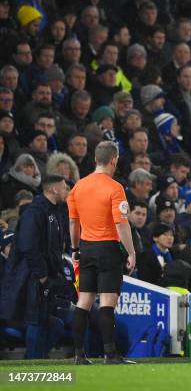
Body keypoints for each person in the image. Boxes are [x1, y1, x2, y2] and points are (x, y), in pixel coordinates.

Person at [67, 141, 137, 365]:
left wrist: (75, 249)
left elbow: (73, 222)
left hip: (86, 248)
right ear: (114, 160)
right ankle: (110, 354)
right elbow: (122, 225)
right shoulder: (115, 188)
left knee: (84, 300)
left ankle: (78, 355)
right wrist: (131, 252)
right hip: (108, 249)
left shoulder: (78, 187)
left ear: (95, 159)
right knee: (108, 302)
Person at [0, 175, 69, 359]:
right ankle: (31, 362)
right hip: (31, 276)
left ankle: (34, 359)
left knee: (47, 321)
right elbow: (28, 245)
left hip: (46, 276)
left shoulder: (55, 212)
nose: (67, 191)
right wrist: (42, 275)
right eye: (64, 188)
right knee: (36, 318)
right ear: (53, 189)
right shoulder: (34, 211)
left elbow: (56, 247)